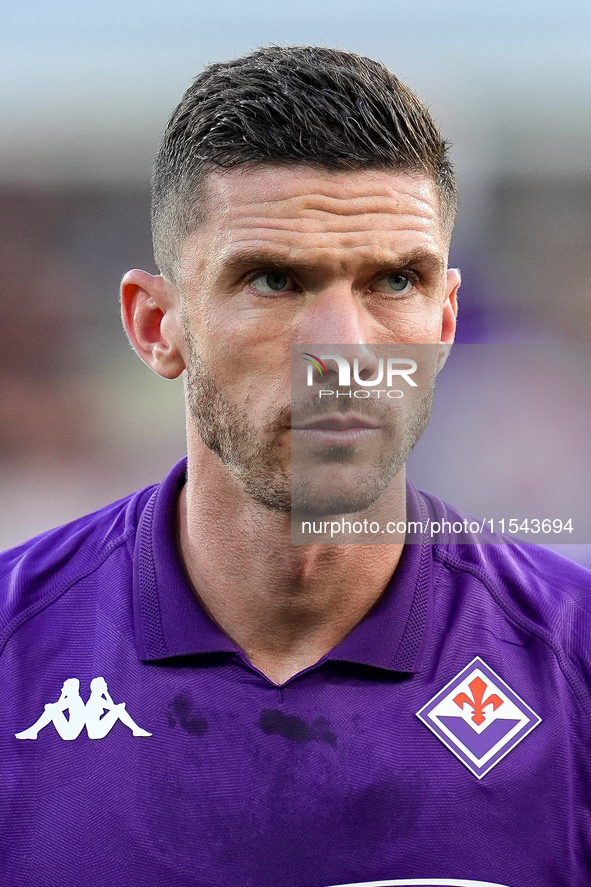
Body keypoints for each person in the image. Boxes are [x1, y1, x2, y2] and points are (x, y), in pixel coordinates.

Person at [1, 45, 589, 887]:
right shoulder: (18, 654)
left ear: (447, 318)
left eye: (394, 280)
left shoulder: (572, 662)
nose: (343, 352)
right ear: (156, 325)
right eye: (273, 279)